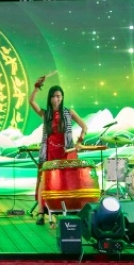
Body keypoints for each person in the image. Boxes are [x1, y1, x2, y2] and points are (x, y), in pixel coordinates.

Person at [29, 76, 88, 226]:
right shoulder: (46, 114)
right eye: (54, 96)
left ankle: (65, 210)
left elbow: (84, 126)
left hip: (66, 152)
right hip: (49, 152)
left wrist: (80, 141)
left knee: (66, 181)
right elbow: (31, 102)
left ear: (62, 98)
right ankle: (41, 213)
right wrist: (36, 88)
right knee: (44, 180)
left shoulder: (69, 112)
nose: (57, 99)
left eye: (59, 96)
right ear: (50, 98)